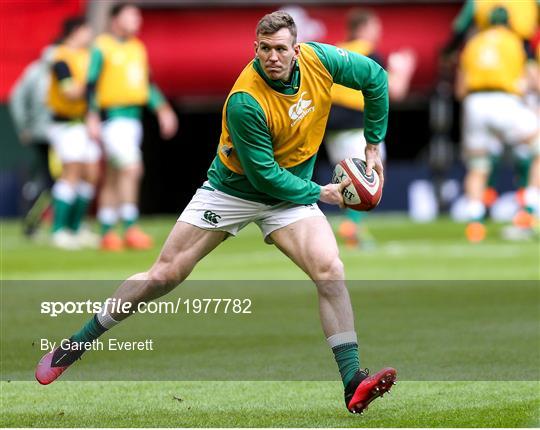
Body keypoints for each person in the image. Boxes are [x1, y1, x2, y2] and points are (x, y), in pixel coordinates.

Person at [36, 11, 396, 415]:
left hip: (290, 192)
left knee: (330, 270)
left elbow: (376, 79)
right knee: (163, 275)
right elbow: (264, 178)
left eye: (280, 49)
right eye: (264, 49)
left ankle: (352, 383)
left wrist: (372, 144)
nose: (272, 57)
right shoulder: (245, 101)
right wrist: (323, 192)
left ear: (296, 50)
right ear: (254, 48)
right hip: (233, 190)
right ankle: (76, 344)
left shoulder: (322, 60)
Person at [85, 3, 178, 251]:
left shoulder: (137, 48)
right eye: (131, 16)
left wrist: (163, 110)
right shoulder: (102, 46)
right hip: (112, 118)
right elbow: (91, 85)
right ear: (116, 19)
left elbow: (146, 84)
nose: (137, 21)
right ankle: (130, 227)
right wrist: (91, 116)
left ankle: (106, 231)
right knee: (132, 169)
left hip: (133, 119)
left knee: (115, 175)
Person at [325, 8, 416, 248]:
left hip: (330, 127)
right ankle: (352, 227)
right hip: (358, 125)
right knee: (369, 177)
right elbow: (396, 91)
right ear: (364, 28)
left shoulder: (336, 51)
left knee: (348, 179)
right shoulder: (370, 54)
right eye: (376, 26)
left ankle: (351, 225)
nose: (379, 31)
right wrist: (405, 68)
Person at [455, 7, 539, 242]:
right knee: (538, 148)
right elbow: (533, 79)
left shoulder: (473, 43)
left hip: (474, 104)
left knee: (478, 166)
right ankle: (529, 212)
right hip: (504, 100)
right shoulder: (515, 41)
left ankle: (474, 224)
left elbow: (460, 88)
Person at [47, 17, 101, 249]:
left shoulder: (86, 56)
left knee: (91, 172)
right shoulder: (60, 56)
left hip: (83, 122)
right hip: (65, 124)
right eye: (87, 30)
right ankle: (59, 230)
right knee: (71, 172)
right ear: (76, 32)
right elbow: (69, 91)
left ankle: (77, 227)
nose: (90, 36)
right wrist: (90, 84)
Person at [9, 46, 55, 237]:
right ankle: (32, 219)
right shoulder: (36, 72)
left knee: (53, 180)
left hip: (57, 132)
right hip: (44, 134)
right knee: (52, 180)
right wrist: (24, 126)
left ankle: (51, 220)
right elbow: (16, 97)